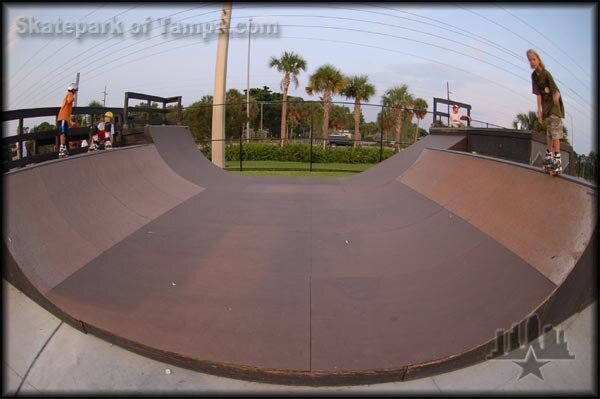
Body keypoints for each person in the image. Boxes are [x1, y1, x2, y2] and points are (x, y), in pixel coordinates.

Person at [527, 49, 565, 172]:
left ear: (538, 60)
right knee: (549, 133)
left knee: (555, 133)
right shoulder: (534, 76)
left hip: (554, 106)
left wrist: (556, 96)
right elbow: (538, 94)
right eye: (530, 60)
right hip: (546, 107)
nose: (532, 62)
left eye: (534, 59)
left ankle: (558, 160)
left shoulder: (546, 74)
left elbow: (556, 90)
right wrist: (539, 111)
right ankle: (549, 157)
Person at [56, 83, 78, 157]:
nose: (75, 92)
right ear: (73, 90)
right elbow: (69, 100)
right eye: (75, 90)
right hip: (63, 117)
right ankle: (62, 147)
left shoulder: (69, 94)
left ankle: (64, 146)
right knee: (62, 132)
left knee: (64, 132)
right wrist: (73, 97)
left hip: (65, 117)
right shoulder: (69, 94)